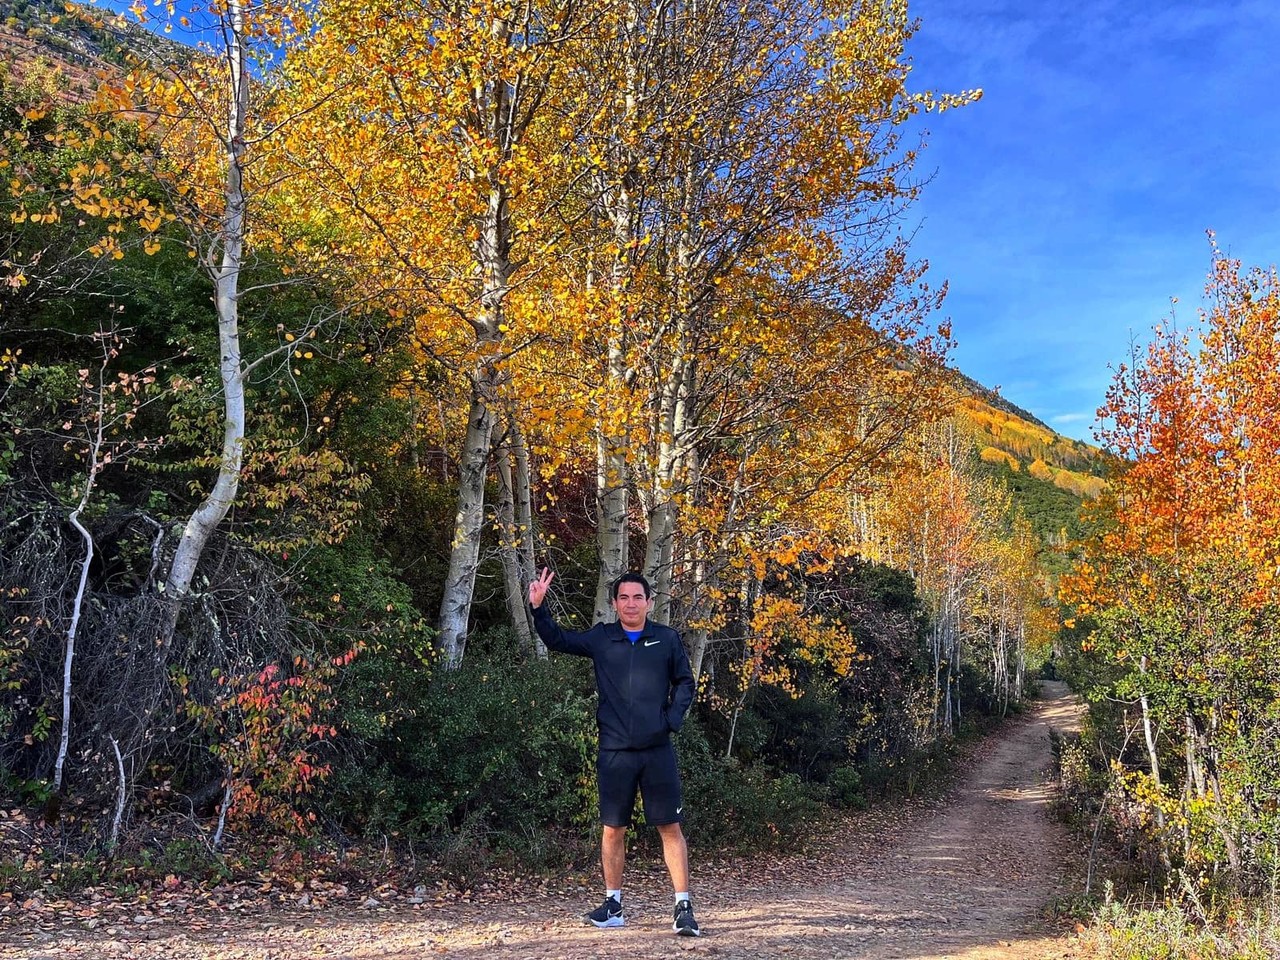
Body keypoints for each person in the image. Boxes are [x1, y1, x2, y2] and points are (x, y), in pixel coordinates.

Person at [528, 567, 701, 937]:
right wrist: (539, 608)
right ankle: (613, 905)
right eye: (624, 597)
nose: (631, 603)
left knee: (670, 828)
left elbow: (685, 681)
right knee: (612, 830)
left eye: (638, 597)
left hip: (657, 751)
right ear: (614, 603)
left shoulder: (666, 639)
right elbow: (558, 639)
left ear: (649, 602)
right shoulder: (602, 638)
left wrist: (670, 721)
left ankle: (683, 907)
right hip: (615, 752)